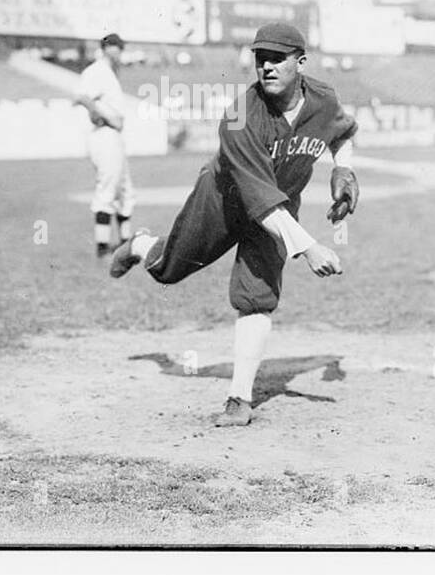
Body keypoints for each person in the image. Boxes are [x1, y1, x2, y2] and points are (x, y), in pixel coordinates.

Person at [109, 22, 359, 426]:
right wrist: (309, 246)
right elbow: (260, 203)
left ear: (301, 62)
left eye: (278, 58)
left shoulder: (323, 99)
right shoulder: (241, 116)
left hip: (278, 204)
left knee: (257, 296)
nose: (268, 67)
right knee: (168, 269)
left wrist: (344, 171)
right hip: (223, 200)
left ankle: (239, 399)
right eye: (261, 58)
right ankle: (141, 246)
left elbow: (342, 133)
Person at [75, 33, 135, 257]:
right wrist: (104, 116)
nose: (116, 51)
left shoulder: (109, 72)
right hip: (103, 134)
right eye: (112, 46)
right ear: (104, 48)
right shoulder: (97, 70)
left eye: (119, 47)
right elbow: (81, 96)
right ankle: (102, 246)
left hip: (113, 136)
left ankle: (125, 242)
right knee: (108, 186)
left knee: (125, 189)